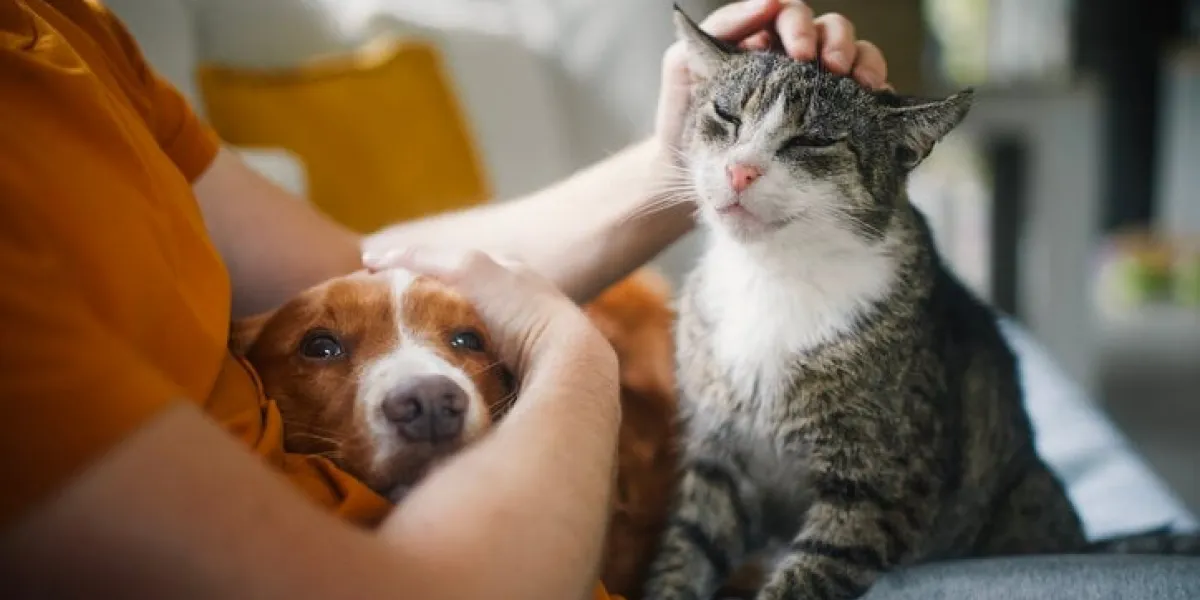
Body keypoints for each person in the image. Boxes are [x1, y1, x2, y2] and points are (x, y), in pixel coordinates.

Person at [0, 1, 889, 598]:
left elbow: (366, 271)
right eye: (318, 350)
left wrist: (673, 165)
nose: (429, 389)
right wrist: (567, 353)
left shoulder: (72, 33)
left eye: (466, 347)